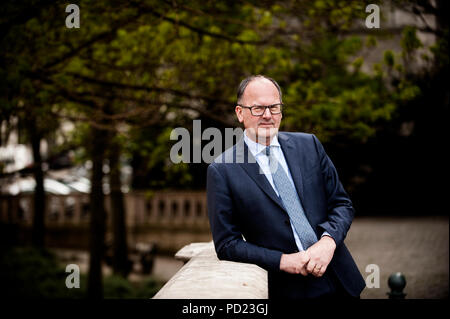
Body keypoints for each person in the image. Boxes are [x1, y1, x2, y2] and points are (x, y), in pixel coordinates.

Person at [206, 75, 365, 299]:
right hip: (287, 289)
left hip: (339, 277)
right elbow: (226, 244)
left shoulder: (309, 145)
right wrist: (284, 261)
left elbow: (341, 203)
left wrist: (327, 243)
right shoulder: (222, 171)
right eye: (258, 108)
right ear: (240, 113)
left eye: (274, 107)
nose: (268, 115)